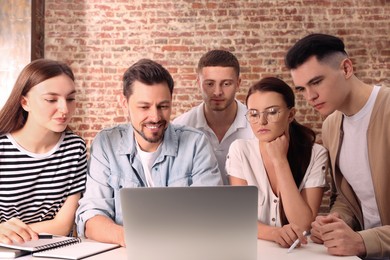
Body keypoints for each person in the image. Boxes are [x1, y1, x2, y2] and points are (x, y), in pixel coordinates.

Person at [76, 59, 222, 246]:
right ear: (124, 102)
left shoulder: (196, 143)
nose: (155, 117)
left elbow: (210, 214)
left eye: (163, 106)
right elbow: (91, 217)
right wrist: (131, 238)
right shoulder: (106, 144)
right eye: (144, 107)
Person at [285, 33, 390, 259]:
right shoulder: (331, 125)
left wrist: (363, 240)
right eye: (302, 89)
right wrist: (336, 220)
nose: (310, 96)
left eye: (316, 82)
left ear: (346, 69)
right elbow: (347, 195)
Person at [226, 77, 328, 248]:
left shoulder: (316, 154)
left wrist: (280, 161)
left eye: (272, 112)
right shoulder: (240, 150)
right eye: (254, 114)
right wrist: (274, 233)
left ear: (291, 115)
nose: (262, 121)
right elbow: (240, 218)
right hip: (253, 249)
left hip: (298, 252)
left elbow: (303, 225)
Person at [0, 59, 87, 244]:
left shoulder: (75, 148)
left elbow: (63, 225)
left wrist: (9, 231)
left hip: (54, 249)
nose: (64, 109)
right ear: (25, 102)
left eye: (70, 99)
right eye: (51, 100)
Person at [173, 50, 254, 184]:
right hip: (198, 203)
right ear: (198, 83)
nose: (217, 92)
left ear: (238, 83)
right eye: (210, 84)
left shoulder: (256, 124)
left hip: (247, 203)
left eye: (226, 84)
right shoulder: (181, 126)